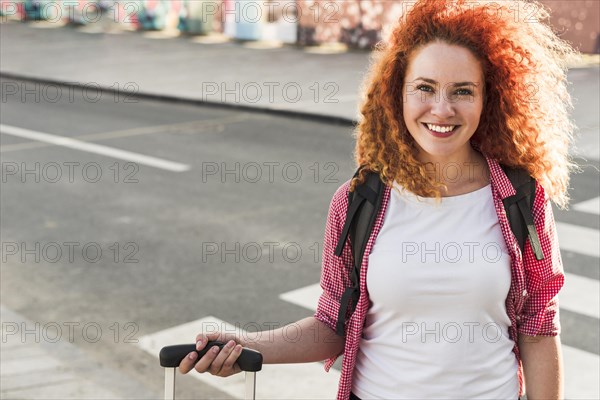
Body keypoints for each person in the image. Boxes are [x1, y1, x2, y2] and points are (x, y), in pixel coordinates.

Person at [179, 0, 580, 398]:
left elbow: (539, 329)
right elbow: (333, 323)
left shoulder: (521, 199)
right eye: (425, 87)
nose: (442, 109)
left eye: (463, 91)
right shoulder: (359, 201)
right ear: (397, 93)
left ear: (487, 99)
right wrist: (247, 347)